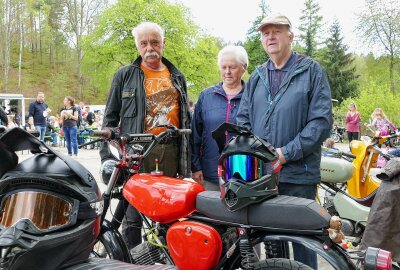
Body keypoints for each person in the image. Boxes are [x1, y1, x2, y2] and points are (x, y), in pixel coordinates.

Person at [236, 14, 332, 269]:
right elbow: (243, 120)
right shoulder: (257, 75)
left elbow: (320, 123)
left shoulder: (311, 70)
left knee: (302, 245)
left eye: (276, 31)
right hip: (262, 177)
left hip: (299, 176)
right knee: (271, 244)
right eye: (265, 33)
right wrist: (254, 156)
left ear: (290, 35)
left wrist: (285, 153)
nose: (270, 37)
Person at [100, 21, 191, 250]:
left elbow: (187, 120)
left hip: (170, 152)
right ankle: (131, 261)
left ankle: (164, 259)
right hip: (137, 154)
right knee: (133, 216)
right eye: (144, 43)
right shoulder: (124, 76)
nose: (150, 47)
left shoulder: (177, 76)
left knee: (168, 213)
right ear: (137, 45)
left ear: (163, 43)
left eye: (155, 42)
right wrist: (105, 156)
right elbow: (109, 120)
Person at [191, 45, 248, 190]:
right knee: (210, 211)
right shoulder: (206, 96)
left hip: (243, 173)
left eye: (232, 67)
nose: (227, 72)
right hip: (210, 173)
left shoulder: (252, 97)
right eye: (223, 67)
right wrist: (195, 167)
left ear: (244, 67)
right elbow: (195, 135)